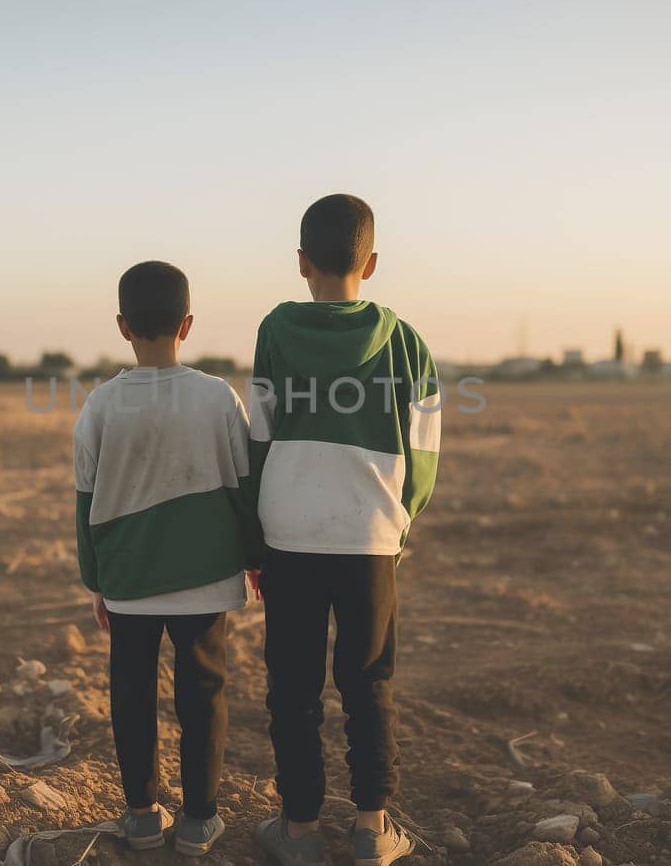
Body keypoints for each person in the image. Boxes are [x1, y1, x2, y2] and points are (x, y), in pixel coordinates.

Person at [248, 194, 439, 866]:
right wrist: (399, 524)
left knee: (293, 687)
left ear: (301, 263)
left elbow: (257, 438)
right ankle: (370, 830)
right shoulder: (408, 341)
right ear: (374, 261)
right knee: (369, 682)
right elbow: (425, 456)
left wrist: (253, 537)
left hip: (289, 536)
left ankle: (298, 833)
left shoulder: (275, 330)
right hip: (370, 541)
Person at [73, 260, 261, 857]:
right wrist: (253, 559)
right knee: (204, 694)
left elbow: (86, 501)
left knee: (131, 693)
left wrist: (96, 580)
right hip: (205, 579)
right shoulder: (216, 397)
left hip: (128, 579)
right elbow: (242, 488)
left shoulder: (101, 405)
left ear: (123, 326)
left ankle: (141, 817)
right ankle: (200, 821)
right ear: (187, 324)